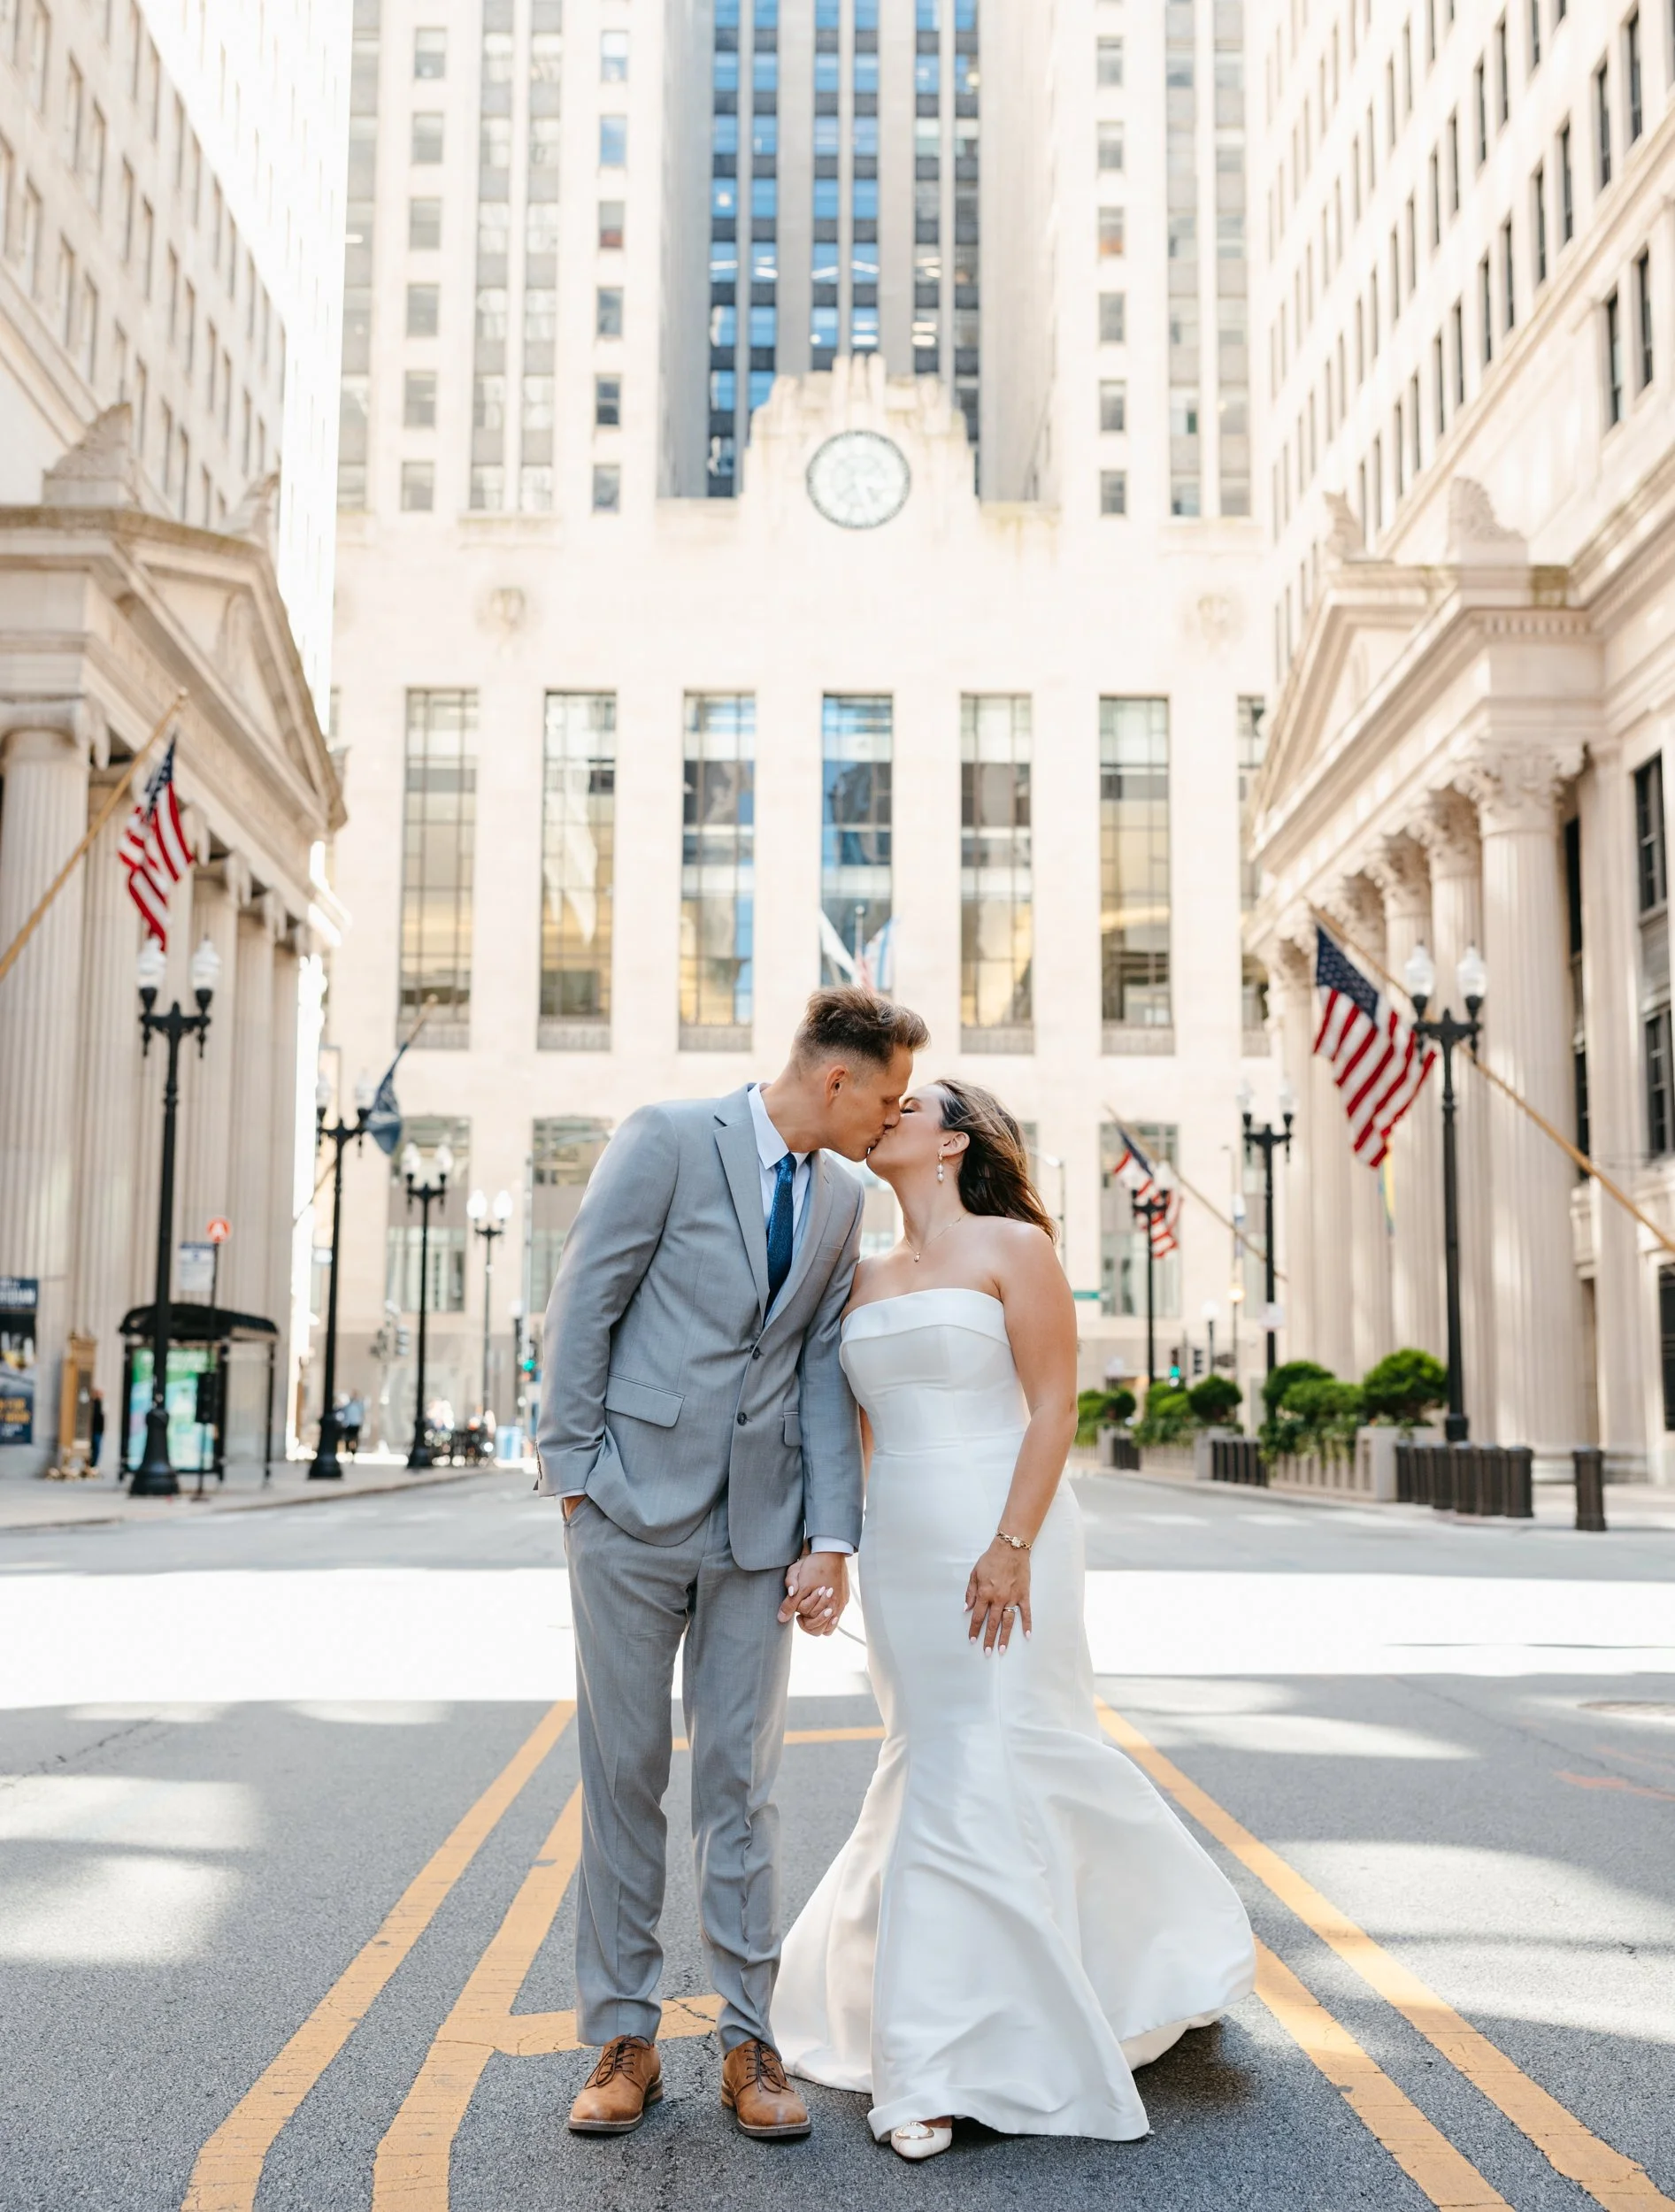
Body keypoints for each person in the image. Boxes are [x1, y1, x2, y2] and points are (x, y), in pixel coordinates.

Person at [771, 1079, 1256, 2161]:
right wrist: (831, 1548)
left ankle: (933, 2063)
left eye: (910, 1102)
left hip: (1012, 1528)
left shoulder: (1012, 1247)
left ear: (954, 1140)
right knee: (937, 1755)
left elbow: (1053, 1404)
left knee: (987, 1757)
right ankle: (1011, 1997)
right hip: (901, 1539)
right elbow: (847, 1432)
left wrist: (1011, 1543)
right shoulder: (859, 1270)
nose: (884, 1109)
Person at [538, 987, 929, 2142]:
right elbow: (585, 1301)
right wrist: (575, 1477)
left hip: (756, 1532)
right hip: (627, 1512)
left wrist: (828, 1536)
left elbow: (816, 1372)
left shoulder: (842, 1198)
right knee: (621, 1775)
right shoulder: (667, 1139)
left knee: (742, 1792)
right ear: (837, 1080)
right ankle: (624, 2037)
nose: (892, 1119)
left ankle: (749, 2040)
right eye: (889, 1097)